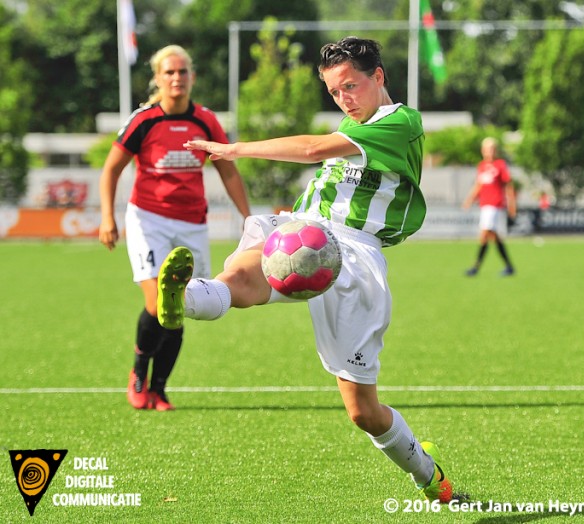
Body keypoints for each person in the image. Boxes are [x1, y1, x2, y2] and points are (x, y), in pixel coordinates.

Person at [155, 36, 452, 501]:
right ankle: (185, 298)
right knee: (240, 277)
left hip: (353, 255)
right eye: (334, 92)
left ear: (379, 77)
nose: (343, 99)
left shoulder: (400, 121)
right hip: (305, 229)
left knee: (363, 412)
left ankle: (427, 473)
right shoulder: (352, 122)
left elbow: (313, 149)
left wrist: (236, 149)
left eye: (350, 86)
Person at [98, 45, 251, 411]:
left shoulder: (206, 121)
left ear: (192, 77)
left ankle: (160, 388)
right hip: (148, 218)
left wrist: (248, 219)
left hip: (192, 224)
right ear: (157, 78)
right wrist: (108, 217)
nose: (176, 78)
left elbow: (228, 170)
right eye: (169, 72)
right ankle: (139, 373)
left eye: (182, 72)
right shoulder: (144, 120)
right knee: (156, 303)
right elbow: (112, 169)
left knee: (179, 307)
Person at [462, 137, 517, 276]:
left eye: (492, 149)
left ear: (496, 150)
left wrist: (512, 204)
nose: (490, 152)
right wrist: (470, 199)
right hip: (485, 205)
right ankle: (509, 266)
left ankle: (475, 267)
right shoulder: (481, 166)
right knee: (494, 237)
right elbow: (479, 185)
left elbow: (508, 185)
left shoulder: (500, 165)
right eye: (487, 149)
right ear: (482, 151)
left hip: (495, 204)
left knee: (485, 233)